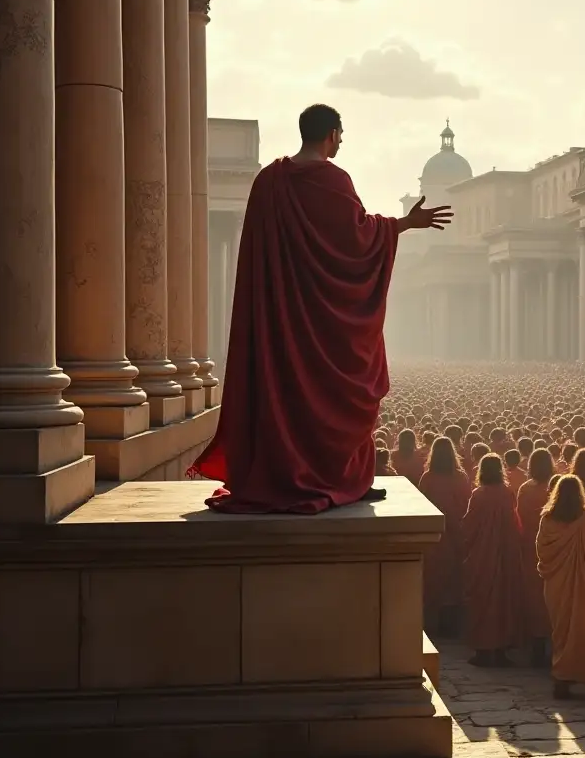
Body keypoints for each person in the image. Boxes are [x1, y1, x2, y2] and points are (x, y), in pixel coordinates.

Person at [191, 104, 452, 513]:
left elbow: (258, 255)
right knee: (336, 398)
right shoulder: (333, 180)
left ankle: (288, 475)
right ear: (331, 134)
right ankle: (342, 478)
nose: (342, 141)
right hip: (326, 327)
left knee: (287, 400)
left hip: (280, 322)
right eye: (341, 134)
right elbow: (359, 237)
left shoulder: (268, 181)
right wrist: (404, 223)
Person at [536, 475, 585, 700]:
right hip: (584, 584)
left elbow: (541, 550)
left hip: (556, 584)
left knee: (561, 633)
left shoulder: (547, 519)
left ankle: (562, 680)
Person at [462, 453, 524, 666]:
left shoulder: (479, 495)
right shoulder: (507, 493)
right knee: (504, 598)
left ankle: (483, 649)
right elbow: (515, 523)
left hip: (482, 553)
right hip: (505, 551)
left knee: (483, 597)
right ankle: (500, 648)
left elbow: (469, 525)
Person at [418, 436, 472, 637]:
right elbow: (467, 505)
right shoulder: (460, 477)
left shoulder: (428, 477)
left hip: (434, 535)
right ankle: (452, 626)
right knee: (453, 578)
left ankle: (433, 625)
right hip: (455, 535)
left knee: (434, 578)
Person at [517, 448, 556, 666]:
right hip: (552, 548)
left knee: (534, 596)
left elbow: (520, 518)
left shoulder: (525, 489)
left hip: (531, 547)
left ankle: (536, 645)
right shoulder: (555, 487)